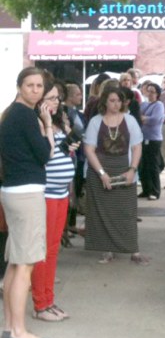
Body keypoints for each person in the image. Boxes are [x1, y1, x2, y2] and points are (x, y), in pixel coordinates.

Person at [0, 67, 55, 338]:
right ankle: (19, 332)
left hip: (13, 190)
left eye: (39, 86)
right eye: (30, 85)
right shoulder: (24, 115)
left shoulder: (12, 114)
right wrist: (47, 124)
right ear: (20, 86)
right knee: (25, 265)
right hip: (26, 193)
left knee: (14, 264)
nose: (35, 90)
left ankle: (10, 327)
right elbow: (45, 154)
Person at [31, 80, 78, 322]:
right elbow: (45, 154)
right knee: (44, 250)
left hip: (60, 192)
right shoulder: (39, 123)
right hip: (47, 193)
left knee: (53, 249)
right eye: (50, 98)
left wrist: (70, 142)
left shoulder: (57, 122)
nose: (55, 102)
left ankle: (49, 299)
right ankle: (41, 302)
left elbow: (62, 150)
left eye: (57, 98)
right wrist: (49, 125)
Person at [83, 87, 146, 265]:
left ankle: (133, 249)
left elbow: (137, 146)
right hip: (100, 169)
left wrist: (132, 169)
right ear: (104, 102)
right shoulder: (96, 121)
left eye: (118, 100)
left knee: (127, 211)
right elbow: (89, 149)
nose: (116, 104)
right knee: (102, 212)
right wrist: (102, 173)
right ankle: (107, 249)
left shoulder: (130, 120)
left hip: (124, 167)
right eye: (112, 100)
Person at [64, 83, 86, 238]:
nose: (80, 96)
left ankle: (70, 223)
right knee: (70, 191)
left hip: (78, 156)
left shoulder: (77, 112)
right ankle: (67, 225)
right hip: (72, 156)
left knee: (75, 190)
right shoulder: (66, 112)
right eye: (78, 94)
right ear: (70, 96)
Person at [138, 82, 165, 200]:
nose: (150, 94)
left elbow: (155, 119)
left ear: (157, 94)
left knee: (153, 165)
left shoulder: (159, 105)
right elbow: (138, 117)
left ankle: (155, 190)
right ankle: (146, 189)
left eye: (152, 91)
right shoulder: (143, 104)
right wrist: (143, 118)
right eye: (148, 91)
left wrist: (145, 118)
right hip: (143, 138)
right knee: (143, 166)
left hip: (154, 139)